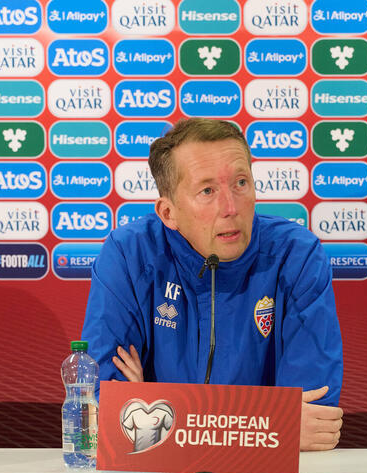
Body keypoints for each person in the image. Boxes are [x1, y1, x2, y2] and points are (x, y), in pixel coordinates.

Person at [81, 117, 344, 451]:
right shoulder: (129, 254)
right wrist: (270, 423)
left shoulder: (297, 255)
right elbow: (102, 409)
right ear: (168, 213)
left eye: (240, 183)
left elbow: (314, 421)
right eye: (207, 191)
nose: (230, 208)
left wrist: (157, 407)